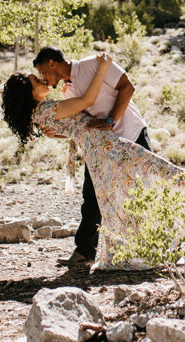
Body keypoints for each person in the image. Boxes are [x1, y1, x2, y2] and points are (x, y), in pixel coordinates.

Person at [1, 55, 185, 270]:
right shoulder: (46, 110)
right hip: (105, 148)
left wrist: (61, 132)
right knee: (157, 171)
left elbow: (73, 125)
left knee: (121, 197)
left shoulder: (44, 111)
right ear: (29, 93)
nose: (43, 80)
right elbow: (87, 102)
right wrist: (102, 68)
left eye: (41, 75)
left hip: (101, 148)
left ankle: (150, 243)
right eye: (37, 80)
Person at [33, 46, 150, 267]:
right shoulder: (67, 92)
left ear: (51, 63)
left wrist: (110, 121)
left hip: (131, 133)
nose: (44, 79)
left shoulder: (95, 64)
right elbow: (81, 126)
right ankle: (85, 252)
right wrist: (56, 134)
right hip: (100, 145)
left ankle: (167, 249)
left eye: (43, 72)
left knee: (146, 189)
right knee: (91, 195)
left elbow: (128, 87)